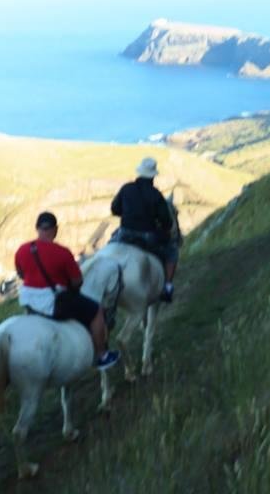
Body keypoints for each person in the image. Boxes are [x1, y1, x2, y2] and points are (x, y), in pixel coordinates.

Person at [15, 211, 120, 370]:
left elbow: (21, 274)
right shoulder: (62, 252)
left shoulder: (22, 250)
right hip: (53, 303)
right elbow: (77, 282)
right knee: (96, 310)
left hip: (28, 301)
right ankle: (102, 355)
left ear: (37, 228)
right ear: (55, 229)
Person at [111, 157, 178, 302]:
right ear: (153, 175)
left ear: (140, 173)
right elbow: (166, 222)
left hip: (125, 232)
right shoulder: (156, 195)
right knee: (172, 251)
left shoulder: (126, 188)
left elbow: (115, 209)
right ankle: (166, 287)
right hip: (147, 236)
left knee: (110, 246)